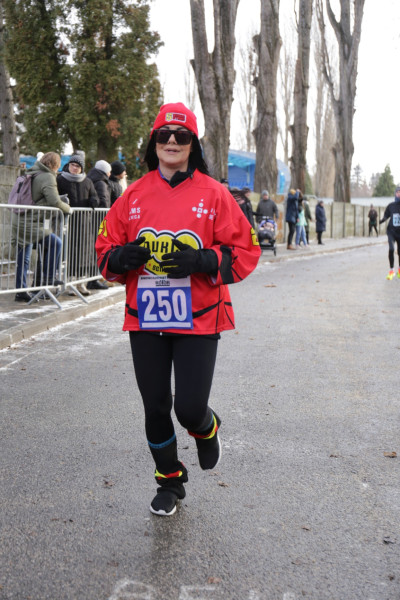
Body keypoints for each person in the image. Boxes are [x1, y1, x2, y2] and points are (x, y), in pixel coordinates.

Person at [95, 102, 261, 517]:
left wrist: (205, 260)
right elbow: (104, 248)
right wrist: (120, 258)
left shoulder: (215, 193)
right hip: (145, 316)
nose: (172, 141)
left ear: (192, 145)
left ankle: (206, 426)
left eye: (181, 135)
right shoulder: (132, 195)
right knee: (155, 406)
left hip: (200, 317)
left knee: (187, 407)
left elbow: (247, 250)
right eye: (164, 134)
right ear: (153, 141)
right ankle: (169, 480)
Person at [13, 152, 71, 301]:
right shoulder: (48, 176)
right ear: (55, 164)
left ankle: (20, 291)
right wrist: (68, 209)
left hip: (19, 219)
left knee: (23, 258)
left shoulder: (32, 172)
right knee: (56, 243)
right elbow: (54, 201)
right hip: (31, 222)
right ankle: (49, 278)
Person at [57, 154, 99, 296]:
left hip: (84, 223)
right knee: (70, 252)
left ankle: (81, 284)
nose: (74, 168)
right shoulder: (60, 179)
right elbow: (55, 197)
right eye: (72, 165)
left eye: (78, 166)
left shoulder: (87, 181)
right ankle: (70, 283)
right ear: (68, 165)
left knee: (83, 254)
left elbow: (94, 196)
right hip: (67, 222)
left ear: (82, 168)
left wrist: (94, 201)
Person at [380, 186, 400, 280]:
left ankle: (399, 270)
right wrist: (382, 220)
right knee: (391, 249)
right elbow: (386, 215)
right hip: (391, 231)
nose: (399, 194)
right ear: (395, 194)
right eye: (397, 192)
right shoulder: (391, 206)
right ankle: (391, 270)